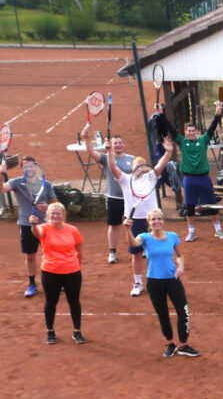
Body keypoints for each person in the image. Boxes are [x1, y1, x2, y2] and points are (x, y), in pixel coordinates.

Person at [123, 209, 200, 358]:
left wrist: (181, 266)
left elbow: (180, 255)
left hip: (173, 279)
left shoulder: (172, 236)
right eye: (153, 220)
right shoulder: (144, 237)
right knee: (162, 314)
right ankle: (171, 343)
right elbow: (132, 243)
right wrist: (127, 228)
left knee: (183, 312)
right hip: (154, 282)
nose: (156, 222)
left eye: (159, 219)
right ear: (149, 222)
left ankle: (183, 344)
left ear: (163, 221)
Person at [107, 137, 174, 297]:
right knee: (136, 254)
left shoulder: (151, 177)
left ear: (145, 168)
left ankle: (163, 281)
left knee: (158, 253)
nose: (139, 168)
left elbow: (161, 164)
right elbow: (112, 166)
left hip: (153, 222)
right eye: (136, 165)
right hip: (134, 221)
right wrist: (109, 151)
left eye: (142, 166)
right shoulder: (125, 179)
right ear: (132, 167)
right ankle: (137, 282)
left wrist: (169, 152)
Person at [0, 156, 57, 297]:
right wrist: (1, 174)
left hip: (46, 226)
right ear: (22, 169)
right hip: (26, 225)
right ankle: (32, 284)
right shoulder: (16, 183)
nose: (29, 169)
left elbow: (56, 204)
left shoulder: (46, 184)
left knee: (51, 255)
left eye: (31, 166)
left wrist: (48, 207)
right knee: (30, 256)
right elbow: (1, 189)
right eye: (25, 166)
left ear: (36, 167)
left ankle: (56, 281)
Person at [30, 203, 85, 345]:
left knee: (74, 302)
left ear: (63, 215)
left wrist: (77, 264)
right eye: (52, 213)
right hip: (50, 272)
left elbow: (79, 249)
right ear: (47, 215)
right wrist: (33, 224)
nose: (55, 216)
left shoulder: (73, 230)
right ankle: (50, 331)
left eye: (58, 213)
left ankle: (77, 331)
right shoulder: (43, 228)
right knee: (51, 302)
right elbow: (37, 233)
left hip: (72, 272)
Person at [173, 103, 223, 242]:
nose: (191, 133)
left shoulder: (203, 140)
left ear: (197, 131)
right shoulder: (181, 141)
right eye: (189, 131)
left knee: (211, 205)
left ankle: (218, 230)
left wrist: (217, 114)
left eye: (193, 131)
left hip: (204, 178)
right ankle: (191, 232)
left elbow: (211, 128)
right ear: (185, 132)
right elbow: (170, 129)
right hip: (189, 179)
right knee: (190, 206)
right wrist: (160, 114)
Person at [80, 124, 134, 263]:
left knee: (135, 224)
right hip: (114, 197)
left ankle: (139, 248)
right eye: (115, 143)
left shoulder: (132, 159)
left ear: (124, 144)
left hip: (130, 198)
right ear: (111, 145)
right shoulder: (106, 157)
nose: (118, 145)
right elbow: (92, 153)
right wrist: (86, 139)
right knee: (114, 225)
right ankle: (112, 252)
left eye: (120, 143)